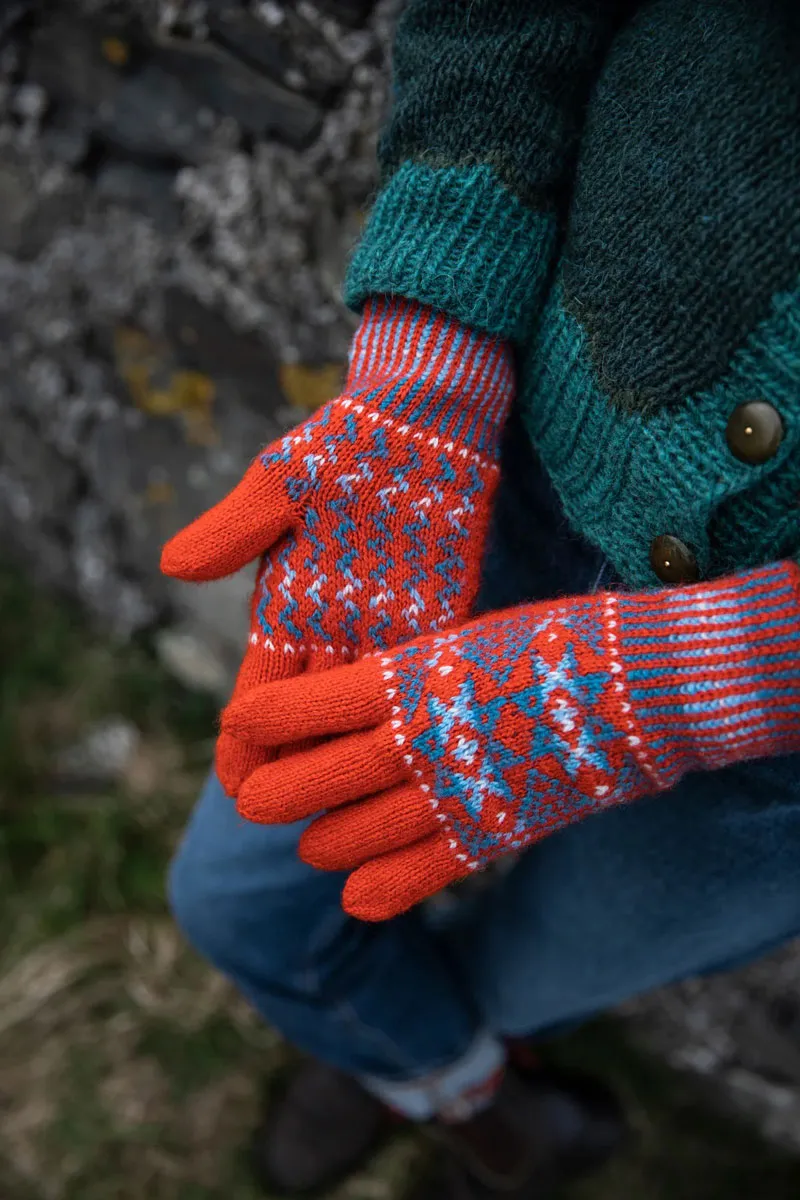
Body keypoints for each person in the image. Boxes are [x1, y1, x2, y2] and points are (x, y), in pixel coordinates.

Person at [163, 1, 800, 1195]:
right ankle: (446, 1079)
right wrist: (427, 372)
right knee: (241, 900)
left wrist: (735, 671)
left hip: (776, 757)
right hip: (506, 482)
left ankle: (444, 1073)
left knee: (539, 973)